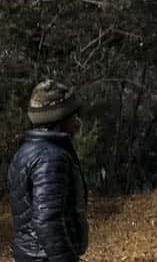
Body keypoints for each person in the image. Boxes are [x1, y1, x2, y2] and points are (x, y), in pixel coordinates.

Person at [8, 80, 89, 262]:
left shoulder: (25, 152)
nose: (77, 121)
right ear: (60, 117)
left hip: (31, 254)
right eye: (73, 115)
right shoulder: (51, 158)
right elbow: (48, 220)